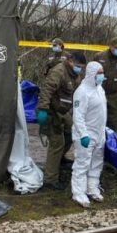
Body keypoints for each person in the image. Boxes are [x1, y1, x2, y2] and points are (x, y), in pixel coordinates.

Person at [37, 51, 87, 190]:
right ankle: (50, 179)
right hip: (52, 112)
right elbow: (47, 90)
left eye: (81, 67)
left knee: (71, 133)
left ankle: (60, 159)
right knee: (57, 143)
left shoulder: (74, 74)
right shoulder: (59, 71)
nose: (79, 69)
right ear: (70, 60)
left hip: (63, 111)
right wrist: (43, 109)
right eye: (78, 65)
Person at [70, 61, 107, 208]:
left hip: (99, 133)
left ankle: (92, 187)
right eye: (99, 73)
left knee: (96, 163)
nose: (102, 75)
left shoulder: (100, 89)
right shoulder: (82, 91)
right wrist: (83, 134)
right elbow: (78, 116)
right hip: (85, 135)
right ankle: (78, 192)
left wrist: (103, 132)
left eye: (102, 72)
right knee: (82, 163)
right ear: (92, 74)